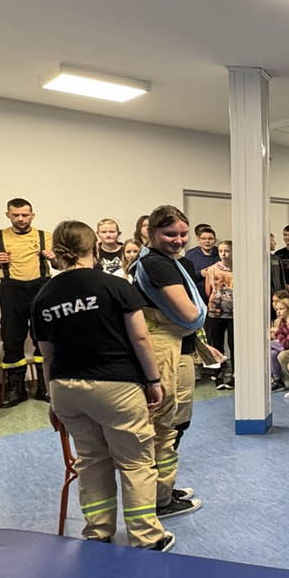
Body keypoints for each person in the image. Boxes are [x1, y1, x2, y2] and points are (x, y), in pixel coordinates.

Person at [31, 220, 171, 551]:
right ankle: (146, 537)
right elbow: (140, 337)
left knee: (91, 461)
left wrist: (52, 399)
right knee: (135, 462)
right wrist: (153, 380)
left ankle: (98, 533)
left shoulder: (42, 296)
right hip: (115, 385)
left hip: (65, 387)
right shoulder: (114, 285)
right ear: (93, 248)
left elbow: (47, 355)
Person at [131, 205, 204, 521]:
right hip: (165, 352)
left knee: (175, 423)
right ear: (151, 232)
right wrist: (200, 317)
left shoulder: (169, 261)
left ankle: (164, 489)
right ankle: (159, 500)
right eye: (170, 234)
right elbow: (189, 313)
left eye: (183, 234)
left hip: (177, 348)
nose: (179, 240)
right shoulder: (156, 264)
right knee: (164, 426)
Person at [0, 198, 54, 405]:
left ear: (32, 216)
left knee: (44, 335)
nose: (20, 218)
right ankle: (16, 389)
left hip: (41, 287)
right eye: (16, 215)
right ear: (8, 215)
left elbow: (59, 262)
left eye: (24, 215)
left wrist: (52, 257)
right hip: (11, 289)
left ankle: (44, 386)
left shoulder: (45, 236)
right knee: (12, 336)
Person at [205, 242, 234, 389]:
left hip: (234, 313)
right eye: (221, 251)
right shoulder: (212, 269)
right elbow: (208, 290)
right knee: (216, 344)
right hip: (216, 312)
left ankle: (235, 373)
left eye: (227, 251)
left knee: (234, 344)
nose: (224, 254)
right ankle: (217, 373)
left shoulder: (239, 268)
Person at [269, 292, 289, 386]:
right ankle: (277, 379)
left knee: (266, 344)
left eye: (281, 309)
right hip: (283, 346)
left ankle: (274, 377)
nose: (278, 312)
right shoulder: (283, 322)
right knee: (272, 353)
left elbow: (287, 344)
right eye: (277, 309)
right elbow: (280, 339)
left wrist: (277, 332)